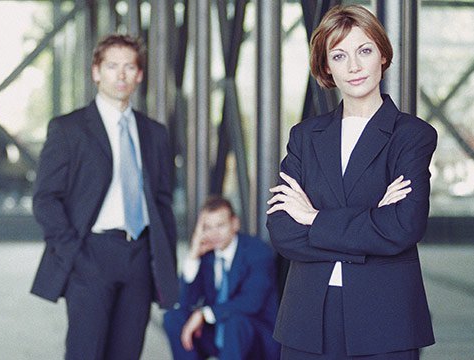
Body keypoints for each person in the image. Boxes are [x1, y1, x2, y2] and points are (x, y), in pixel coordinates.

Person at [266, 5, 436, 359]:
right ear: (326, 66)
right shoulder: (305, 136)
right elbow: (282, 230)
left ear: (382, 56)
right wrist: (372, 219)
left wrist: (314, 218)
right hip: (307, 320)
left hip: (385, 319)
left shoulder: (411, 135)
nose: (354, 66)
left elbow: (405, 226)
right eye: (339, 55)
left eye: (365, 50)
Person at [30, 34, 178, 360]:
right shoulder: (69, 129)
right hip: (90, 254)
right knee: (86, 352)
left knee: (127, 354)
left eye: (129, 67)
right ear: (96, 72)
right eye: (112, 66)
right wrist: (74, 251)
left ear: (139, 74)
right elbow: (45, 198)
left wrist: (163, 262)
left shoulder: (154, 133)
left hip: (139, 255)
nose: (120, 75)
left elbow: (162, 202)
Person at [164, 196, 281, 359]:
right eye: (207, 227)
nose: (214, 233)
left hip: (253, 337)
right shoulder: (207, 255)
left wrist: (204, 314)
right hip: (217, 334)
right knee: (173, 318)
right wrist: (193, 256)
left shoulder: (258, 252)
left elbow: (251, 302)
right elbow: (184, 301)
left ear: (235, 223)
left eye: (220, 225)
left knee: (235, 322)